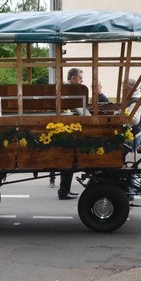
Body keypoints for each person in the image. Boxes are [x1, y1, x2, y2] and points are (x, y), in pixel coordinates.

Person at [53, 67, 85, 200]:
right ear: (73, 78)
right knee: (67, 161)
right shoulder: (68, 90)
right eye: (80, 78)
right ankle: (64, 191)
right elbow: (77, 109)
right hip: (65, 129)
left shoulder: (68, 89)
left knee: (68, 162)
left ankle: (65, 190)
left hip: (65, 128)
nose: (82, 81)